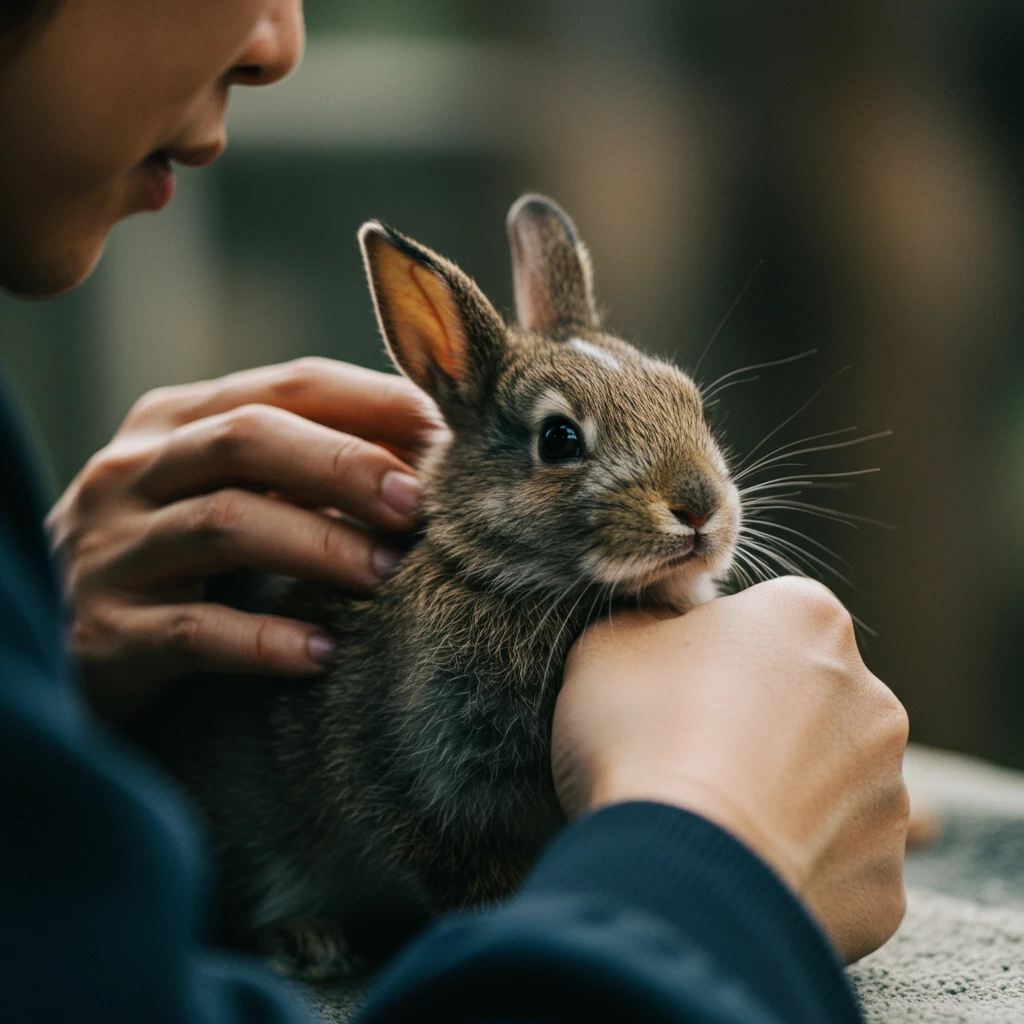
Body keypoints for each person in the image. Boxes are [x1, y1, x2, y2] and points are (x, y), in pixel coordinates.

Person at [0, 2, 909, 1022]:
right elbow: (435, 823)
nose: (281, 40)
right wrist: (709, 840)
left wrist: (33, 645)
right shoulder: (447, 612)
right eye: (562, 448)